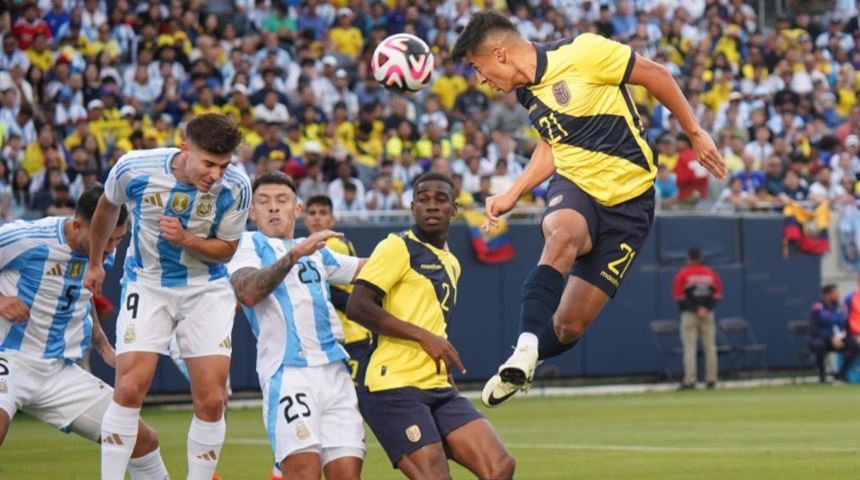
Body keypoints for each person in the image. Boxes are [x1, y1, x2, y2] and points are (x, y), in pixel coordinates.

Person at [451, 11, 728, 406]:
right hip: (577, 185)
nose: (480, 80)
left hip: (631, 204)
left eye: (478, 68)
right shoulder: (527, 93)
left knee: (568, 326)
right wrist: (515, 191)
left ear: (500, 54)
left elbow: (657, 75)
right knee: (561, 235)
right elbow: (553, 144)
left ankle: (525, 362)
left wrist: (695, 133)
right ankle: (525, 347)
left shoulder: (583, 52)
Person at [83, 113, 251, 479]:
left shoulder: (237, 187)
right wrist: (95, 263)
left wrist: (186, 240)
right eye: (209, 164)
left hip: (205, 288)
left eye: (223, 166)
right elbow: (107, 208)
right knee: (128, 389)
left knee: (211, 398)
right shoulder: (134, 167)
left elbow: (227, 249)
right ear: (185, 148)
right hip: (148, 284)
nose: (216, 175)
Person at [346, 173, 515, 479]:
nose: (431, 206)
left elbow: (433, 323)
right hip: (392, 384)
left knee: (500, 466)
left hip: (437, 386)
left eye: (441, 200)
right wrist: (424, 337)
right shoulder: (397, 246)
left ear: (454, 208)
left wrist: (445, 370)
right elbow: (358, 306)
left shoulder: (452, 262)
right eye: (423, 199)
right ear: (412, 206)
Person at [0, 186, 169, 479]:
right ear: (77, 225)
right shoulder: (24, 237)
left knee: (142, 440)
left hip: (59, 372)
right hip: (9, 359)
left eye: (117, 239)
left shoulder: (102, 251)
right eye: (105, 238)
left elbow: (83, 296)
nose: (110, 248)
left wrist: (103, 344)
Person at [227, 173, 366, 480]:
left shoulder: (317, 252)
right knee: (303, 473)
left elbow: (366, 269)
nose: (273, 208)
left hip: (334, 372)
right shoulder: (247, 244)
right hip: (288, 372)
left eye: (282, 200)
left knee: (348, 474)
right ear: (252, 212)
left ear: (297, 209)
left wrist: (413, 252)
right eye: (264, 202)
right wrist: (294, 254)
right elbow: (248, 292)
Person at [303, 194, 373, 386]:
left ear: (332, 220)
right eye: (312, 213)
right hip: (334, 336)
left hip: (350, 333)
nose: (317, 217)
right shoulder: (308, 246)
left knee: (353, 400)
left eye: (323, 213)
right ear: (305, 219)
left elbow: (325, 291)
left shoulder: (332, 245)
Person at [673, 247, 723, 389]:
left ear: (688, 258)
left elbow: (680, 297)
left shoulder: (683, 274)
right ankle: (711, 379)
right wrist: (706, 309)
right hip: (708, 315)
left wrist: (696, 309)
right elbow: (717, 295)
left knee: (690, 348)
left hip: (689, 315)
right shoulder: (710, 274)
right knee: (710, 348)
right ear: (700, 258)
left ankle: (690, 380)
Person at [811, 284, 859, 383]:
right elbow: (815, 329)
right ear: (827, 295)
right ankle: (822, 376)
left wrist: (841, 337)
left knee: (855, 346)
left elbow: (845, 325)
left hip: (839, 338)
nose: (838, 295)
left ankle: (841, 374)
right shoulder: (817, 308)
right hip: (824, 339)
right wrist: (830, 337)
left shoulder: (840, 307)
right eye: (835, 293)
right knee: (819, 345)